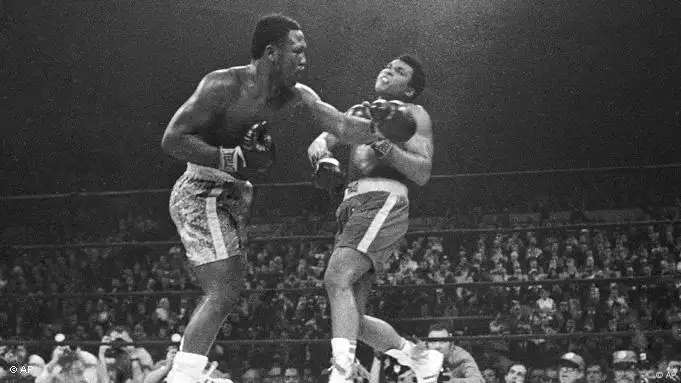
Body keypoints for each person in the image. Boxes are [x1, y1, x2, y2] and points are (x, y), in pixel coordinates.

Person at [161, 13, 383, 383]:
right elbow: (172, 140)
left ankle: (188, 370)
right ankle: (183, 375)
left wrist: (381, 128)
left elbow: (342, 125)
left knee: (228, 289)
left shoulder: (296, 96)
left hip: (232, 193)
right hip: (200, 190)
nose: (305, 59)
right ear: (271, 53)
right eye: (297, 50)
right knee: (224, 289)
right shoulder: (222, 85)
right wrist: (232, 158)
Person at [306, 53, 441, 383]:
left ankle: (341, 375)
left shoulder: (414, 114)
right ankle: (421, 359)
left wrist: (385, 145)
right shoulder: (359, 111)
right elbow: (328, 136)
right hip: (351, 205)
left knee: (336, 277)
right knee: (355, 318)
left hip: (384, 200)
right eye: (388, 66)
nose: (388, 71)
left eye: (399, 72)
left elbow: (422, 172)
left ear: (409, 90)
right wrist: (322, 150)